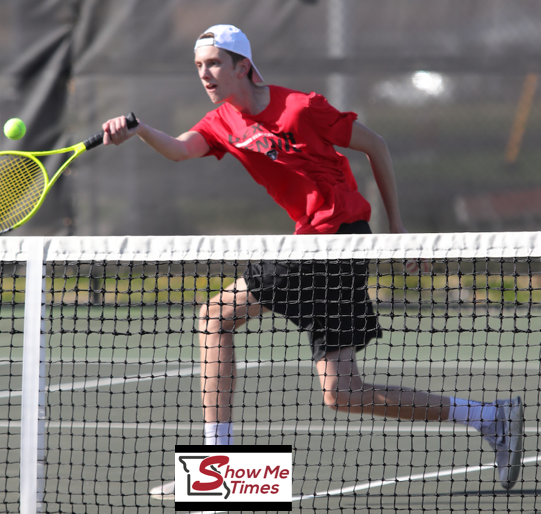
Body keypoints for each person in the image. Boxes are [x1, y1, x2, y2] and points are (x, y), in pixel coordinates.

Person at [102, 24, 524, 497]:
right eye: (199, 66)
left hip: (335, 239)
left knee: (213, 318)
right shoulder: (221, 120)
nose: (206, 74)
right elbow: (180, 150)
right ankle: (489, 416)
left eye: (215, 63)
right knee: (343, 393)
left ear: (243, 66)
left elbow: (376, 146)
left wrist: (397, 230)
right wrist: (137, 131)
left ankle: (214, 472)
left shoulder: (302, 107)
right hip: (320, 246)